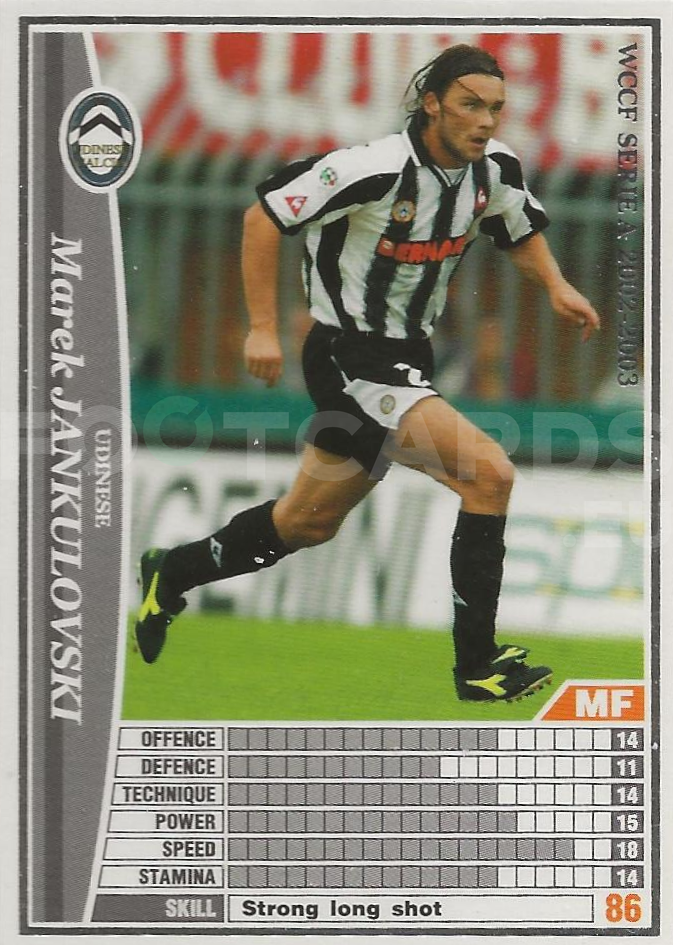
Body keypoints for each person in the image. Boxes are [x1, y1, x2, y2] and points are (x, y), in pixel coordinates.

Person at [135, 44, 600, 701]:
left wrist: (555, 285)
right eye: (469, 104)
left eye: (495, 108)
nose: (484, 120)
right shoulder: (370, 168)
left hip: (409, 355)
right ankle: (477, 666)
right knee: (488, 474)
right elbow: (262, 218)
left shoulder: (494, 169)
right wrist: (263, 326)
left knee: (306, 523)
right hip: (348, 354)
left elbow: (517, 228)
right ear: (431, 103)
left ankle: (173, 571)